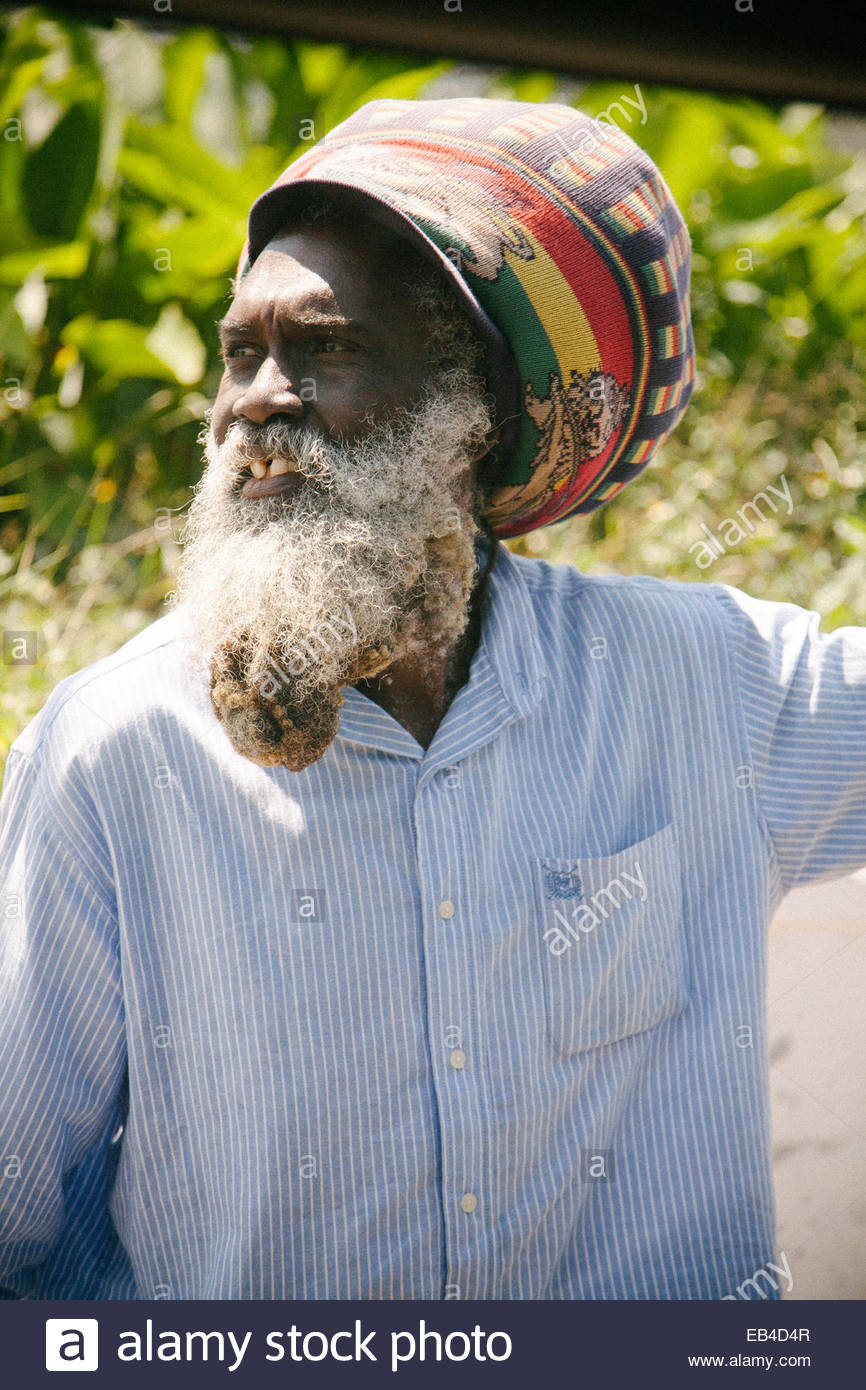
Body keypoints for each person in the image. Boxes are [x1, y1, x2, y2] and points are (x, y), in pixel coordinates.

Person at [0, 96, 864, 1301]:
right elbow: (15, 1224)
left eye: (328, 349)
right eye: (240, 351)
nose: (257, 398)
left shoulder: (702, 686)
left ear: (475, 416)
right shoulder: (112, 750)